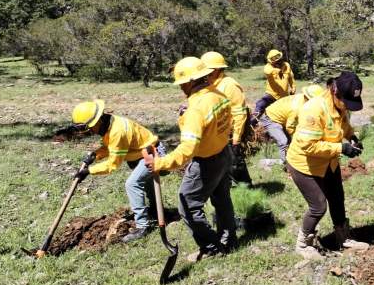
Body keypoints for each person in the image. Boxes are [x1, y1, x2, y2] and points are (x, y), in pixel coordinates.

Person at [144, 56, 237, 262]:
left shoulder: (196, 108)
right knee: (222, 200)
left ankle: (212, 247)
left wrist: (160, 163)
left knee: (187, 205)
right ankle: (228, 239)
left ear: (190, 82)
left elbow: (187, 148)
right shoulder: (218, 93)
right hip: (224, 153)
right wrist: (184, 117)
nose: (181, 88)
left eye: (181, 84)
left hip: (206, 162)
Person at [286, 71, 368, 259]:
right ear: (334, 91)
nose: (348, 107)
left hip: (328, 162)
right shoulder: (314, 110)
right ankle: (303, 244)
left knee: (337, 198)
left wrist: (352, 137)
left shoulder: (339, 106)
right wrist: (341, 148)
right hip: (304, 164)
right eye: (346, 102)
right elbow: (309, 146)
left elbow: (344, 125)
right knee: (318, 206)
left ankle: (343, 237)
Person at [71, 100, 165, 243]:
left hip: (154, 153)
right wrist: (95, 155)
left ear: (96, 122)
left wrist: (89, 171)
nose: (87, 131)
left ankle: (142, 226)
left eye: (86, 127)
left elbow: (112, 164)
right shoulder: (109, 124)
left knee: (132, 184)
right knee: (144, 182)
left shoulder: (117, 131)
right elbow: (111, 147)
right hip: (141, 153)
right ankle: (155, 211)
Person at [200, 51, 252, 187]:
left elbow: (239, 113)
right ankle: (226, 189)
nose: (207, 75)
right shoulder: (210, 84)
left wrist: (236, 139)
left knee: (235, 162)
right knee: (221, 164)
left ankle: (248, 192)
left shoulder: (229, 85)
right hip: (218, 132)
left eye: (209, 71)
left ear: (218, 69)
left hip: (231, 132)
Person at [260, 84, 324, 170]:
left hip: (282, 118)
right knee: (284, 142)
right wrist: (298, 138)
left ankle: (292, 161)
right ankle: (288, 167)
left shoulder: (302, 99)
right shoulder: (297, 108)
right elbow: (290, 127)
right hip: (271, 119)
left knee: (291, 142)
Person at [253, 49, 295, 119]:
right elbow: (267, 71)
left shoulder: (287, 65)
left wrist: (293, 87)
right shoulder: (268, 67)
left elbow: (291, 77)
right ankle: (252, 123)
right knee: (260, 105)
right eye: (275, 61)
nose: (278, 62)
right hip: (271, 94)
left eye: (279, 60)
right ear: (271, 62)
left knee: (284, 114)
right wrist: (277, 70)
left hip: (284, 96)